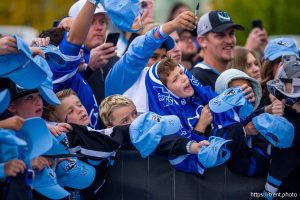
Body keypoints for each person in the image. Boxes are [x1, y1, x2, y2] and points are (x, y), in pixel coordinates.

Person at [145, 57, 270, 177]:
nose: (183, 78)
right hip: (218, 174)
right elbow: (191, 157)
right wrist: (201, 126)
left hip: (244, 157)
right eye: (175, 79)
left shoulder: (199, 98)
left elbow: (231, 119)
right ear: (164, 92)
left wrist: (246, 104)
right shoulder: (165, 121)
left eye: (182, 73)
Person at [105, 10, 197, 113]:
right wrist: (173, 24)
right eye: (154, 57)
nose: (160, 64)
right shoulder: (124, 73)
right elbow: (140, 49)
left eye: (163, 58)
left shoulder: (165, 86)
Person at [190, 10, 244, 89]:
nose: (229, 41)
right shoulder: (195, 80)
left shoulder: (236, 75)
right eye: (220, 35)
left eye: (231, 33)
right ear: (202, 41)